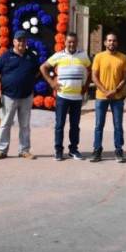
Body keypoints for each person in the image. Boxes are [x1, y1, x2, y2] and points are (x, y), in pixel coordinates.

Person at [40, 32, 91, 161]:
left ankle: (73, 150)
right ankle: (58, 150)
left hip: (77, 97)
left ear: (77, 42)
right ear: (65, 42)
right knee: (60, 125)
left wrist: (86, 86)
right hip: (62, 96)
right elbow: (43, 67)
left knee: (75, 125)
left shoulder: (83, 56)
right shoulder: (58, 55)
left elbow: (90, 70)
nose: (71, 44)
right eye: (69, 42)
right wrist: (52, 83)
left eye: (74, 42)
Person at [0, 30, 40, 160]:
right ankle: (2, 150)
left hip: (26, 96)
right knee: (6, 123)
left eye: (24, 40)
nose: (22, 43)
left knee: (25, 125)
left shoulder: (31, 56)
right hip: (9, 96)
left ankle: (24, 150)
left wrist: (27, 81)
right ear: (14, 42)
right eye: (19, 40)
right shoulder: (5, 56)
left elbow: (38, 71)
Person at [90, 33, 126, 163]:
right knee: (98, 125)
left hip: (117, 97)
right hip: (101, 97)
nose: (112, 43)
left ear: (117, 43)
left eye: (114, 41)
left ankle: (118, 150)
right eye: (109, 40)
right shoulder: (99, 57)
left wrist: (116, 90)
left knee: (118, 125)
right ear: (105, 43)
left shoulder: (123, 57)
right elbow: (94, 76)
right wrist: (105, 91)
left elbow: (125, 77)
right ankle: (97, 150)